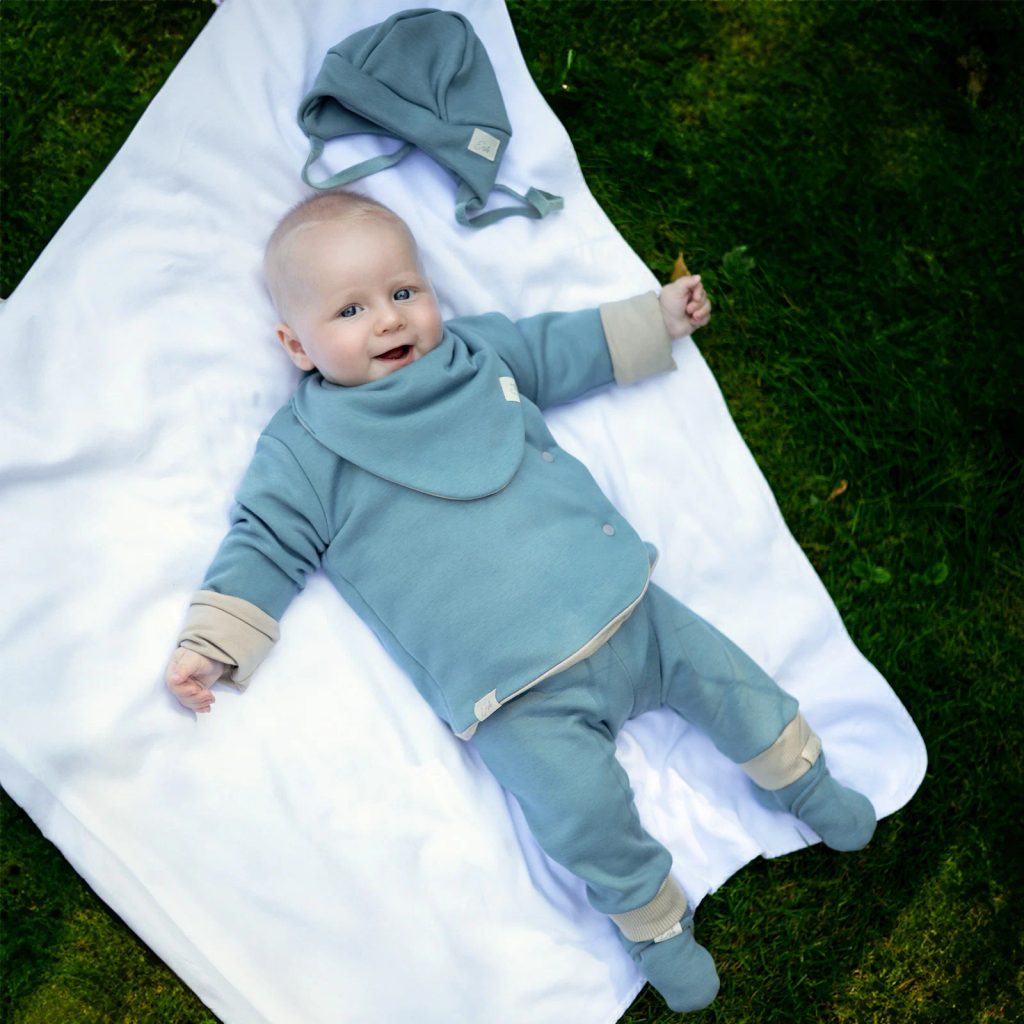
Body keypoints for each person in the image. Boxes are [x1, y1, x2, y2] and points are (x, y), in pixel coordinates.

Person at [166, 190, 876, 1013]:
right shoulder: (305, 450)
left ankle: (802, 779)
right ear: (295, 344)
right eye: (350, 310)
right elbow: (264, 541)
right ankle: (654, 923)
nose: (389, 319)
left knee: (729, 682)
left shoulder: (477, 356)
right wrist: (213, 642)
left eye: (403, 291)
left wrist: (653, 320)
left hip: (625, 604)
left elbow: (557, 348)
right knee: (582, 815)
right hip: (514, 693)